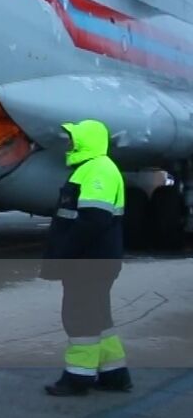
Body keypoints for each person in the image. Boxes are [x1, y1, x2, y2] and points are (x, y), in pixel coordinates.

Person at [39, 119, 130, 396]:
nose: (69, 143)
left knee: (79, 318)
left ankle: (78, 378)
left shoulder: (97, 169)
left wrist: (63, 254)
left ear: (85, 141)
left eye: (73, 138)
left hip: (88, 262)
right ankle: (115, 374)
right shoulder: (91, 168)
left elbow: (92, 220)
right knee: (99, 318)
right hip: (96, 261)